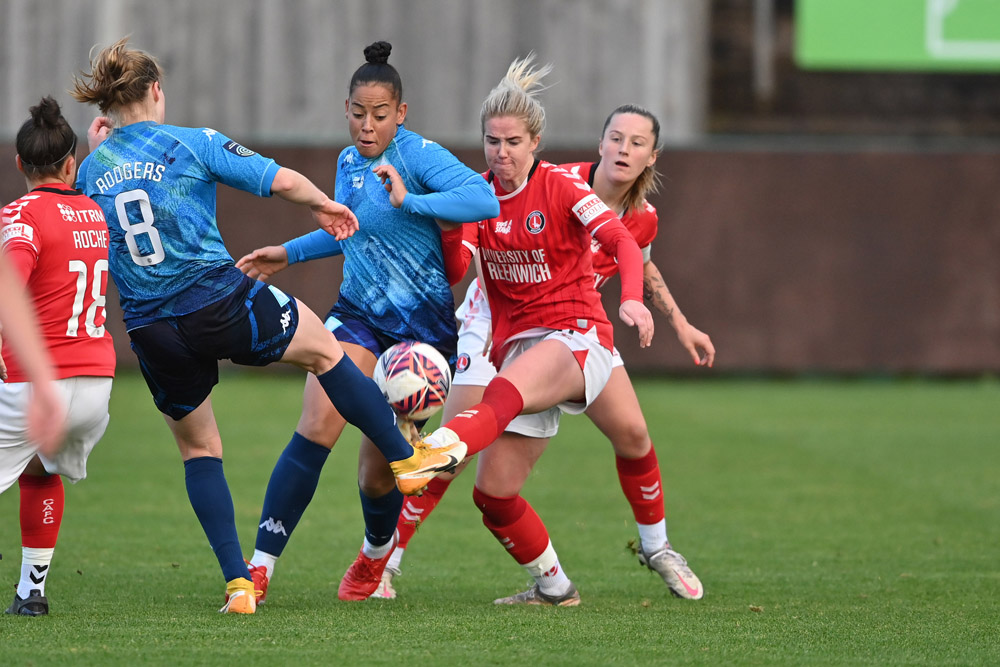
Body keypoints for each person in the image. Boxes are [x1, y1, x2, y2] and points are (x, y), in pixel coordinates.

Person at [69, 37, 464, 614]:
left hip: (150, 329)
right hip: (215, 300)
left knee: (199, 449)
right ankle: (405, 457)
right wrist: (323, 204)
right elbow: (277, 179)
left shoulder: (90, 170)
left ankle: (239, 584)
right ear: (156, 91)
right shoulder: (190, 142)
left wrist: (94, 153)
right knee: (325, 349)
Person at [374, 105, 715, 602]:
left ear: (652, 156)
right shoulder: (552, 180)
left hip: (573, 328)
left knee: (632, 435)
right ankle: (547, 586)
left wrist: (670, 318)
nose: (623, 149)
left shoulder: (630, 214)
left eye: (636, 142)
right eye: (616, 137)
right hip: (501, 324)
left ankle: (657, 547)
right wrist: (434, 217)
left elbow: (635, 256)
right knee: (491, 491)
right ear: (599, 142)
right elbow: (460, 260)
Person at [234, 41, 499, 603]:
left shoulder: (418, 155)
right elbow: (350, 230)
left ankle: (376, 554)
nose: (367, 125)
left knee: (377, 475)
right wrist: (287, 252)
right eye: (358, 113)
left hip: (419, 338)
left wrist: (411, 202)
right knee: (316, 424)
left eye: (380, 114)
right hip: (357, 318)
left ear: (400, 113)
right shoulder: (347, 162)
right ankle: (258, 568)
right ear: (346, 109)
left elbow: (484, 201)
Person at [0, 97, 113, 617]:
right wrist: (95, 153)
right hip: (94, 387)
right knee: (39, 468)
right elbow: (68, 201)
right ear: (71, 164)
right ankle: (32, 592)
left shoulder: (19, 215)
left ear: (18, 164)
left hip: (33, 382)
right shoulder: (94, 211)